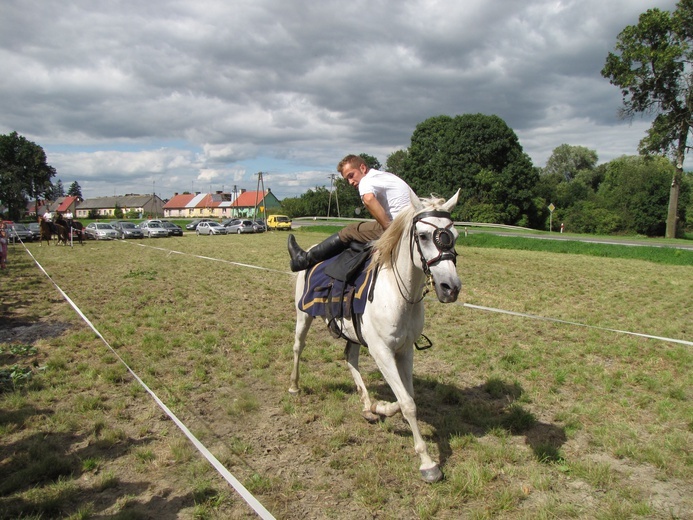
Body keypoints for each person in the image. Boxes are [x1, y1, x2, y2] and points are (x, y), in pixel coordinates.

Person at [288, 154, 414, 272]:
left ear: (363, 168)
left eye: (351, 175)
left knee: (349, 231)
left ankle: (303, 260)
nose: (350, 182)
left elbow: (368, 199)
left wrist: (389, 230)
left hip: (401, 226)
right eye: (347, 179)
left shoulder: (367, 180)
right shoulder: (386, 176)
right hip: (413, 222)